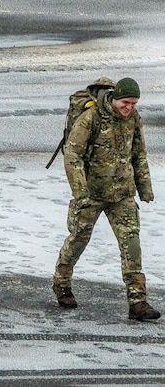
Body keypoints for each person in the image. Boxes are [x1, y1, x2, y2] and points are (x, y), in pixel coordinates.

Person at [55, 77, 158, 320]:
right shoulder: (91, 118)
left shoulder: (132, 119)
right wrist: (80, 193)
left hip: (122, 193)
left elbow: (139, 154)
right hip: (91, 193)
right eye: (125, 102)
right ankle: (62, 284)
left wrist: (145, 188)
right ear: (114, 98)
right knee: (78, 240)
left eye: (133, 103)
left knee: (131, 244)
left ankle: (138, 301)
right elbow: (72, 156)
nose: (129, 108)